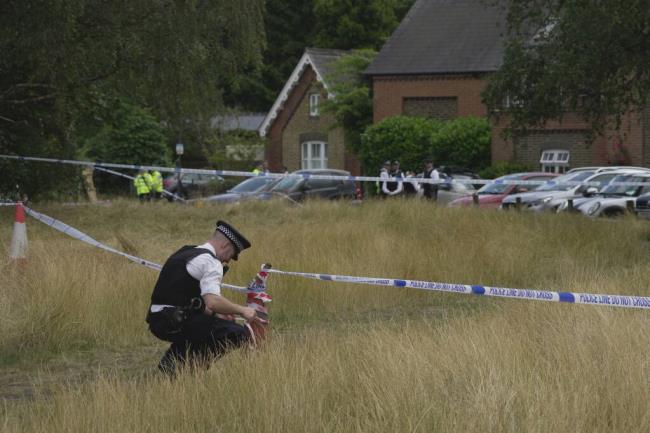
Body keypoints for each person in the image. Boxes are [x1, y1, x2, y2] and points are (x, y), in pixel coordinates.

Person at [146, 221, 259, 375]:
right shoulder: (211, 262)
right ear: (225, 245)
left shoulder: (185, 252)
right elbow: (212, 301)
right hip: (174, 322)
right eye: (232, 255)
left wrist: (216, 314)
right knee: (237, 333)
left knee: (212, 324)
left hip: (157, 319)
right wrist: (243, 310)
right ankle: (187, 372)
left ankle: (171, 367)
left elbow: (189, 299)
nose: (228, 260)